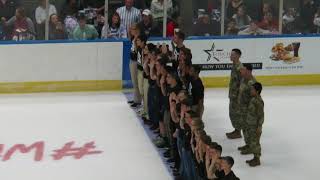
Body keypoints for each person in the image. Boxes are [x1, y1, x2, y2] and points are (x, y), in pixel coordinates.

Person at [243, 82, 264, 167]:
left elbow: (261, 115)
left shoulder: (258, 101)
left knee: (255, 142)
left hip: (255, 126)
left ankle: (257, 159)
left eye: (252, 89)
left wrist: (259, 127)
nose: (251, 91)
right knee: (252, 141)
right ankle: (254, 158)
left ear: (257, 91)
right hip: (250, 124)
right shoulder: (253, 99)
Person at [237, 63, 257, 153]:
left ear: (248, 71)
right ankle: (247, 144)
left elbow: (255, 98)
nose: (241, 71)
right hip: (243, 110)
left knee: (250, 130)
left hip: (249, 111)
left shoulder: (252, 83)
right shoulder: (243, 80)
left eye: (243, 70)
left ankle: (251, 147)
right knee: (245, 128)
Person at [226, 49, 243, 139]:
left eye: (232, 54)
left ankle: (238, 132)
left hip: (237, 96)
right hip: (233, 95)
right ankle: (236, 130)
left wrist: (239, 95)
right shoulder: (235, 65)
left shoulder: (239, 67)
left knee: (235, 113)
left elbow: (243, 82)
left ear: (238, 56)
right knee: (233, 113)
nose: (230, 56)